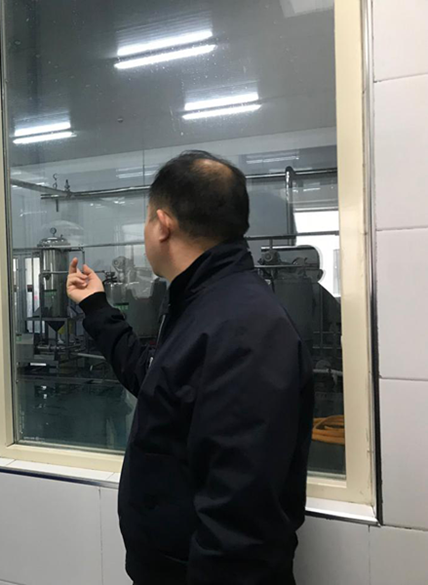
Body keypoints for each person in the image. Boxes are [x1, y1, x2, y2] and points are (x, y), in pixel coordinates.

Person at [67, 151, 314, 585]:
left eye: (146, 220)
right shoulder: (202, 304)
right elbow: (157, 380)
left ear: (163, 225)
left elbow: (240, 524)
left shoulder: (244, 327)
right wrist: (96, 307)